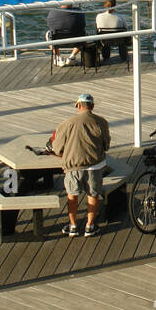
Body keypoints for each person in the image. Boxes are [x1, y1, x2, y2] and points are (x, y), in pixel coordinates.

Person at [51, 92, 112, 237]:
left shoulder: (66, 124)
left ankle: (73, 226)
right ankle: (90, 226)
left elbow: (57, 148)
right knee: (93, 194)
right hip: (95, 166)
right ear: (92, 106)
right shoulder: (101, 122)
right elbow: (106, 145)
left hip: (73, 166)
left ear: (78, 106)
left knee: (72, 196)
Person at [47, 2, 86, 67]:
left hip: (58, 41)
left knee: (48, 34)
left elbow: (50, 26)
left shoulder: (53, 12)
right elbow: (83, 25)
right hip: (76, 41)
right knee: (82, 33)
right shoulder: (79, 11)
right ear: (71, 3)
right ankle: (72, 57)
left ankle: (58, 57)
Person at [94, 0, 130, 65]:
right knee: (123, 36)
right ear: (116, 5)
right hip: (119, 40)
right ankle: (123, 57)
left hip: (104, 41)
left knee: (103, 36)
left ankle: (106, 57)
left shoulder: (99, 16)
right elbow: (126, 28)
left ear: (105, 5)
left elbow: (97, 28)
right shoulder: (120, 17)